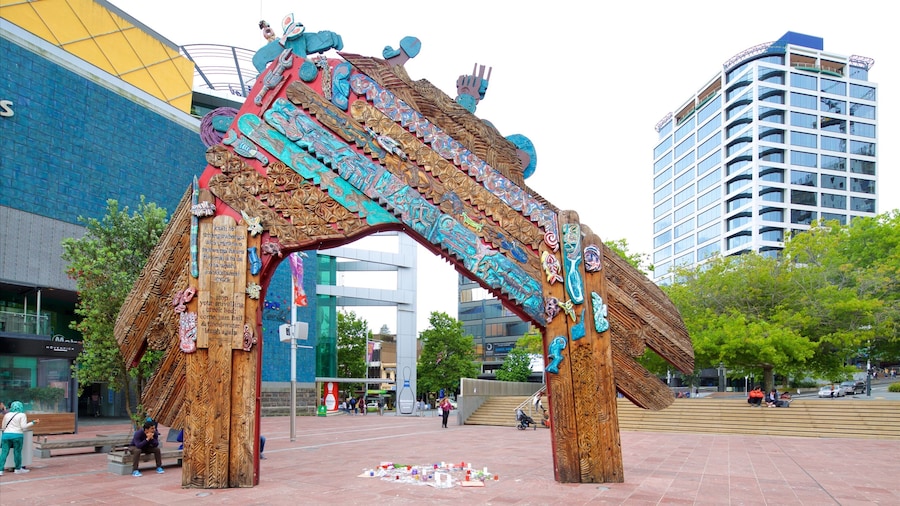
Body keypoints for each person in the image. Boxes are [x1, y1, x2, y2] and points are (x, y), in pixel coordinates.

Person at [0, 401, 40, 475]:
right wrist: (33, 422)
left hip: (6, 436)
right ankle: (18, 469)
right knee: (17, 453)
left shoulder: (7, 415)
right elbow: (23, 426)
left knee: (4, 453)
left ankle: (0, 470)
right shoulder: (22, 415)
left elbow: (3, 427)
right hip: (17, 436)